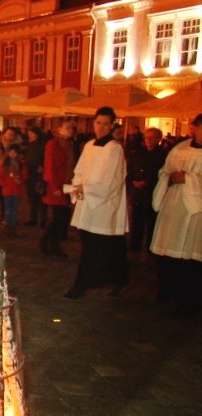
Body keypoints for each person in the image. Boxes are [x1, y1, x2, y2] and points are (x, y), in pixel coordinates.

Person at [64, 106, 128, 299]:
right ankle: (114, 279)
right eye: (99, 123)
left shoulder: (114, 148)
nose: (101, 127)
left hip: (104, 206)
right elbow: (79, 170)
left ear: (112, 125)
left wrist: (88, 189)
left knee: (100, 246)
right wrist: (77, 185)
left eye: (106, 124)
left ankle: (83, 284)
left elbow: (112, 181)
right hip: (87, 201)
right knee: (96, 245)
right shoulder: (90, 145)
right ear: (93, 123)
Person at [150, 113, 202, 317]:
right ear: (195, 128)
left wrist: (188, 179)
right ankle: (168, 290)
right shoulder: (180, 148)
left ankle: (190, 302)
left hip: (197, 213)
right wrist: (170, 178)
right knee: (170, 252)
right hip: (174, 207)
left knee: (192, 257)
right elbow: (164, 171)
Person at [40, 120, 76, 259]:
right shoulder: (53, 144)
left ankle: (46, 241)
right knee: (59, 217)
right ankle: (53, 246)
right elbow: (49, 167)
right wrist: (55, 187)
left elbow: (71, 165)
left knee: (62, 217)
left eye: (72, 128)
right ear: (59, 129)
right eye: (67, 127)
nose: (70, 130)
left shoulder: (70, 144)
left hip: (66, 185)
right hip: (55, 186)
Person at [126, 127, 166, 252]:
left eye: (152, 138)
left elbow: (161, 172)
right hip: (137, 192)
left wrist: (147, 182)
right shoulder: (138, 153)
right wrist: (133, 181)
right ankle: (135, 244)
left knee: (152, 222)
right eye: (146, 138)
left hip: (152, 192)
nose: (148, 140)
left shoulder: (163, 155)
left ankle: (150, 246)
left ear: (158, 139)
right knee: (136, 220)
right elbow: (130, 168)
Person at [0, 144, 27, 237]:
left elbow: (25, 175)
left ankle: (12, 228)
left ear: (17, 153)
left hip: (16, 190)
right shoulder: (5, 164)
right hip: (7, 190)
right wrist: (5, 183)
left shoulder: (20, 164)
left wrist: (20, 180)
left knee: (14, 210)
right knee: (7, 209)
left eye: (14, 152)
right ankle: (7, 227)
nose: (12, 154)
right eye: (10, 152)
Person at [24, 126, 47, 228]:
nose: (30, 135)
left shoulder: (43, 145)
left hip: (39, 174)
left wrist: (42, 166)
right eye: (29, 133)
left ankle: (43, 220)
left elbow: (45, 158)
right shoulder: (30, 145)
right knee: (32, 197)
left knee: (40, 197)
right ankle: (33, 218)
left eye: (32, 133)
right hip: (30, 173)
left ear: (37, 135)